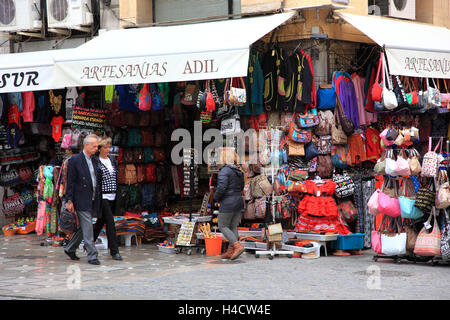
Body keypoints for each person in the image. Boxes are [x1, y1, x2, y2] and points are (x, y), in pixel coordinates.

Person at [64, 134, 102, 265]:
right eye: (94, 146)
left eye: (97, 146)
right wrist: (69, 200)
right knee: (88, 226)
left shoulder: (95, 160)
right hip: (80, 198)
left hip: (92, 198)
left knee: (85, 227)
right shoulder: (75, 160)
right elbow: (71, 182)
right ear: (86, 145)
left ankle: (70, 248)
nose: (97, 148)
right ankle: (92, 255)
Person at [92, 137, 122, 261]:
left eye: (109, 147)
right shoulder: (96, 161)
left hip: (113, 195)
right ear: (100, 148)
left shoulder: (112, 161)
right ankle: (114, 251)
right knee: (110, 222)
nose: (107, 150)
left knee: (100, 222)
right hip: (102, 196)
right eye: (105, 147)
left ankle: (87, 242)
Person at [213, 148, 245, 260]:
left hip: (228, 202)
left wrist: (215, 198)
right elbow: (241, 187)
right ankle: (231, 251)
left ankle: (237, 246)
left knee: (222, 225)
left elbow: (222, 187)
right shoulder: (239, 170)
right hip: (238, 201)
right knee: (233, 226)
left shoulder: (225, 171)